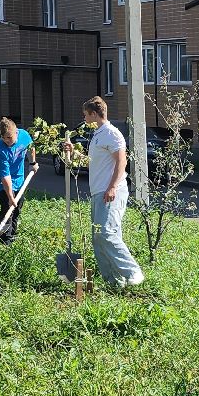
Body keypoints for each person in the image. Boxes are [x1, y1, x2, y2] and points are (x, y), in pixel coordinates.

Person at [72, 96, 142, 287]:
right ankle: (114, 282)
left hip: (111, 191)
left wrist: (112, 187)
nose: (84, 118)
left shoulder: (112, 133)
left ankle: (132, 272)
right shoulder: (98, 135)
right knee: (98, 238)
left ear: (94, 114)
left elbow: (122, 162)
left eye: (86, 114)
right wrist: (73, 153)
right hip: (98, 192)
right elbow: (92, 162)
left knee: (106, 233)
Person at [0, 118, 34, 241]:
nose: (7, 141)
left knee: (17, 207)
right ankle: (4, 238)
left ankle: (12, 234)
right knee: (8, 206)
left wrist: (32, 163)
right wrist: (10, 197)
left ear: (16, 132)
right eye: (4, 138)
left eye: (9, 137)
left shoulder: (23, 135)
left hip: (18, 177)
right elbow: (5, 177)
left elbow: (30, 147)